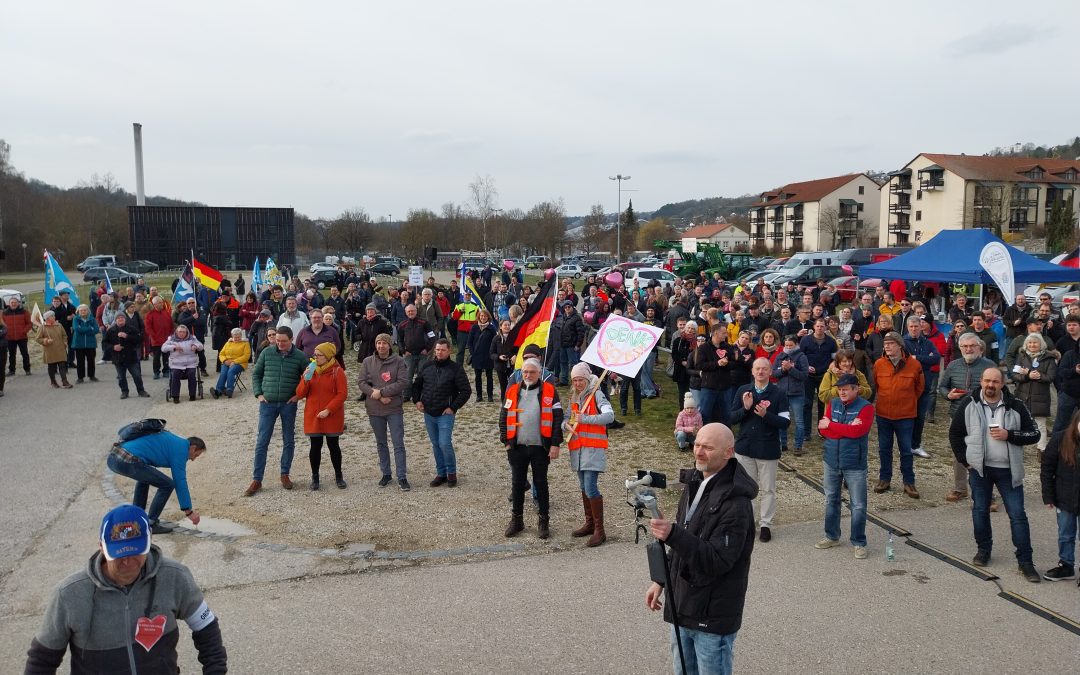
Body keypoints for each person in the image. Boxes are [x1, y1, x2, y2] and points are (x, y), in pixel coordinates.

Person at [23, 504, 227, 673]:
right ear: (101, 547)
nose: (128, 561)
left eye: (136, 551)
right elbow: (42, 661)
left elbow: (206, 627)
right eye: (119, 553)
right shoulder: (68, 595)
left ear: (149, 541)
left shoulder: (175, 577)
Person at [645, 423, 756, 675]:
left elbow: (717, 560)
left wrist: (673, 534)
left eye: (708, 447)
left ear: (729, 452)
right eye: (697, 445)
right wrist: (660, 581)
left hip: (712, 616)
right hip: (682, 604)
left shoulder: (737, 504)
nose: (699, 452)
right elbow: (684, 539)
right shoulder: (695, 483)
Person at [949, 367, 1042, 582]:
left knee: (1018, 515)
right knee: (980, 511)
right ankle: (984, 550)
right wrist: (965, 461)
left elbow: (1034, 434)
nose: (990, 385)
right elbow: (955, 433)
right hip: (980, 470)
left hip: (1009, 471)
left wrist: (1009, 435)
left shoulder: (1016, 405)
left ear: (1003, 384)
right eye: (987, 381)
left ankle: (1026, 561)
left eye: (995, 382)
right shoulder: (969, 404)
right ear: (981, 382)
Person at [500, 357, 564, 539]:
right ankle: (517, 520)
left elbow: (557, 418)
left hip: (540, 447)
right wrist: (505, 440)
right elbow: (504, 416)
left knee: (541, 483)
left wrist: (555, 443)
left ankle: (543, 521)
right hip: (517, 446)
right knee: (517, 484)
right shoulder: (512, 390)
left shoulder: (550, 391)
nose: (528, 375)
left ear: (539, 374)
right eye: (525, 372)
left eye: (532, 372)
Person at [729, 357, 790, 543]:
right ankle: (747, 523)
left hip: (767, 449)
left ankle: (765, 524)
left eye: (764, 369)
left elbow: (785, 422)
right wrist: (746, 409)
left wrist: (766, 415)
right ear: (753, 371)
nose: (761, 372)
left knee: (768, 489)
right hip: (745, 448)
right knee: (745, 488)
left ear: (770, 372)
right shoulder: (743, 391)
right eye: (757, 368)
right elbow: (732, 418)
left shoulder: (779, 394)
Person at [246, 325, 310, 496]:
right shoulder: (267, 353)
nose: (279, 344)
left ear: (291, 340)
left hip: (288, 404)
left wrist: (298, 396)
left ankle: (285, 474)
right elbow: (256, 374)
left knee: (288, 440)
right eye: (277, 340)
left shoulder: (300, 356)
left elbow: (309, 377)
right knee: (262, 441)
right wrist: (259, 394)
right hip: (267, 403)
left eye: (283, 341)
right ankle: (257, 479)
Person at [816, 373, 875, 558]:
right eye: (839, 389)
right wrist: (845, 428)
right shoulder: (832, 403)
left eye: (845, 389)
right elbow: (822, 430)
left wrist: (832, 425)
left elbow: (859, 431)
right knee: (831, 499)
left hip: (854, 463)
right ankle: (831, 536)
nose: (841, 392)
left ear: (856, 389)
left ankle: (859, 542)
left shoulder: (866, 408)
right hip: (831, 460)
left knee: (857, 504)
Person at [107, 430, 206, 533]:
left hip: (113, 458)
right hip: (125, 460)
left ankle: (137, 518)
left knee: (144, 479)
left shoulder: (174, 441)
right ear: (193, 448)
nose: (193, 459)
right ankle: (151, 523)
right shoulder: (181, 450)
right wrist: (189, 512)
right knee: (167, 484)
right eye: (196, 455)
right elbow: (180, 482)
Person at [938, 332, 997, 502]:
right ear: (960, 348)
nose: (968, 349)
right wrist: (948, 395)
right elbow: (942, 387)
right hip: (957, 415)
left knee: (984, 453)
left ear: (980, 348)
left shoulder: (989, 366)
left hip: (983, 415)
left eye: (972, 346)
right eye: (965, 346)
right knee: (958, 453)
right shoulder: (953, 365)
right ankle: (960, 488)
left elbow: (1000, 390)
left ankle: (988, 494)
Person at [564, 361, 614, 546]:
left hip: (593, 449)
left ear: (587, 379)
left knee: (590, 487)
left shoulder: (597, 395)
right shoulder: (574, 397)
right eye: (575, 380)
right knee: (584, 488)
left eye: (580, 380)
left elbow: (610, 416)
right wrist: (565, 424)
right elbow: (566, 417)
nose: (578, 383)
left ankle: (600, 530)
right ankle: (590, 524)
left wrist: (586, 419)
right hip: (578, 450)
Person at [413, 338, 472, 487]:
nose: (439, 352)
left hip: (445, 414)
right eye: (437, 349)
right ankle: (441, 473)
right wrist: (417, 400)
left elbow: (465, 390)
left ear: (449, 351)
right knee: (435, 444)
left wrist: (453, 407)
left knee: (444, 443)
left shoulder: (456, 368)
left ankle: (451, 473)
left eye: (443, 350)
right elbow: (416, 385)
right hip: (428, 412)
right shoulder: (426, 366)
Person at [873, 332, 923, 498]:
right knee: (884, 449)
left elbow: (920, 388)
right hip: (883, 414)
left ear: (900, 346)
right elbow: (877, 386)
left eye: (891, 343)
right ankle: (884, 479)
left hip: (905, 415)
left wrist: (906, 400)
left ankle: (909, 482)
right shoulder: (879, 364)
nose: (887, 346)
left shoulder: (914, 365)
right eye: (885, 343)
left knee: (906, 451)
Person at [359, 333, 411, 490]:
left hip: (393, 407)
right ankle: (386, 473)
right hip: (375, 408)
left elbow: (402, 382)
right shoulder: (368, 361)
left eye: (384, 343)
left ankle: (402, 476)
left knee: (398, 443)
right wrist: (378, 396)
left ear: (390, 345)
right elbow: (361, 382)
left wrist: (382, 392)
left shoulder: (399, 361)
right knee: (381, 442)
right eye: (378, 343)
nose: (381, 346)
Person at [295, 342, 348, 490]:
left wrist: (329, 409)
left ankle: (339, 476)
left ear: (328, 356)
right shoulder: (310, 370)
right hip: (314, 415)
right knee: (315, 446)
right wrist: (305, 380)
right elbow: (300, 394)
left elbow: (342, 394)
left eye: (319, 355)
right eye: (315, 354)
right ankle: (315, 477)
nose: (315, 357)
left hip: (332, 415)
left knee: (333, 446)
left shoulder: (338, 372)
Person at [1039, 409, 1080, 582]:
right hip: (1065, 498)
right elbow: (1047, 468)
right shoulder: (1060, 438)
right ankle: (1066, 565)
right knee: (1065, 534)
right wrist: (1048, 496)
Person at [1010, 332, 1057, 456]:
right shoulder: (1022, 356)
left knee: (1040, 424)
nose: (1032, 345)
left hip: (1040, 396)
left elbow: (1051, 377)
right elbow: (1014, 374)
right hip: (1022, 395)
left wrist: (1039, 376)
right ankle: (1017, 447)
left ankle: (1041, 449)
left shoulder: (1049, 358)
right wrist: (1027, 375)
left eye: (1035, 342)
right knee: (1018, 422)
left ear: (1041, 344)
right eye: (1030, 342)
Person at [904, 316, 942, 458]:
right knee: (908, 417)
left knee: (920, 417)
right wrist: (924, 358)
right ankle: (905, 445)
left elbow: (936, 358)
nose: (914, 329)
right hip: (908, 386)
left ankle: (916, 445)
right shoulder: (903, 342)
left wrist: (916, 358)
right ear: (908, 327)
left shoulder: (928, 343)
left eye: (916, 326)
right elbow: (905, 361)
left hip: (924, 384)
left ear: (921, 327)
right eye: (911, 327)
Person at [773, 334, 809, 455]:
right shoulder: (780, 356)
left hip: (797, 393)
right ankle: (782, 444)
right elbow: (774, 373)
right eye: (786, 345)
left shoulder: (801, 357)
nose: (788, 347)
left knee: (799, 421)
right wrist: (783, 370)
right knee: (782, 419)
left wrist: (791, 369)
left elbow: (804, 376)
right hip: (782, 392)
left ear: (796, 345)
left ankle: (798, 446)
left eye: (791, 345)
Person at [102, 312, 151, 399]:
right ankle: (124, 392)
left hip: (131, 356)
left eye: (122, 318)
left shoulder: (131, 329)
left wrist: (127, 336)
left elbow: (139, 339)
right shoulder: (111, 330)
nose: (120, 319)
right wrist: (113, 347)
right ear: (115, 320)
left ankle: (141, 391)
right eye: (118, 318)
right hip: (118, 358)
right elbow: (104, 344)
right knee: (121, 377)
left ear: (125, 319)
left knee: (137, 375)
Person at [161, 324, 204, 403]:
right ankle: (175, 396)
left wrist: (195, 345)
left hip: (190, 363)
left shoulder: (192, 338)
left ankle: (192, 395)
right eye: (180, 332)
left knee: (191, 374)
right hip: (176, 364)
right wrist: (173, 347)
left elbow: (201, 346)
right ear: (176, 332)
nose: (182, 333)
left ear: (187, 332)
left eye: (183, 332)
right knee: (175, 375)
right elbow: (163, 348)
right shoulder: (171, 339)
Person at [211, 327, 252, 398]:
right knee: (223, 373)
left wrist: (234, 362)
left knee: (231, 371)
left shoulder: (245, 343)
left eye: (238, 337)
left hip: (240, 363)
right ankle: (218, 391)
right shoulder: (228, 343)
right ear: (232, 336)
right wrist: (224, 361)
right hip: (227, 362)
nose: (236, 339)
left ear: (241, 336)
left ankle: (229, 389)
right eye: (235, 337)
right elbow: (221, 354)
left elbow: (246, 356)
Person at [37, 311, 73, 389]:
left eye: (53, 316)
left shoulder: (59, 325)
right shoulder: (42, 327)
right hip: (50, 350)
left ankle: (65, 381)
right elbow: (38, 339)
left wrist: (65, 341)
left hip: (60, 349)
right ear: (47, 318)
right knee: (52, 367)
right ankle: (53, 382)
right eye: (52, 316)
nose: (54, 317)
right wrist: (46, 341)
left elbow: (64, 335)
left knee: (62, 366)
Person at [144, 296, 174, 380]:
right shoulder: (150, 315)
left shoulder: (166, 313)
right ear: (155, 304)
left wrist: (171, 334)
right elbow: (148, 328)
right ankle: (156, 372)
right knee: (156, 358)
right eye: (160, 303)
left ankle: (166, 370)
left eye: (162, 302)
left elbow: (171, 324)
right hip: (156, 341)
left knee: (166, 356)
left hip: (167, 340)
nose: (162, 304)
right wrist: (154, 336)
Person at [70, 304, 100, 383]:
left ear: (88, 311)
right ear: (78, 311)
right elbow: (76, 329)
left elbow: (96, 330)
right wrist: (90, 328)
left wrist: (83, 330)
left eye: (85, 310)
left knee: (91, 360)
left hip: (91, 343)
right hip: (79, 344)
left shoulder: (92, 319)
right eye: (81, 310)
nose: (83, 312)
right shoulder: (76, 319)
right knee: (80, 361)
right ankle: (80, 377)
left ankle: (92, 376)